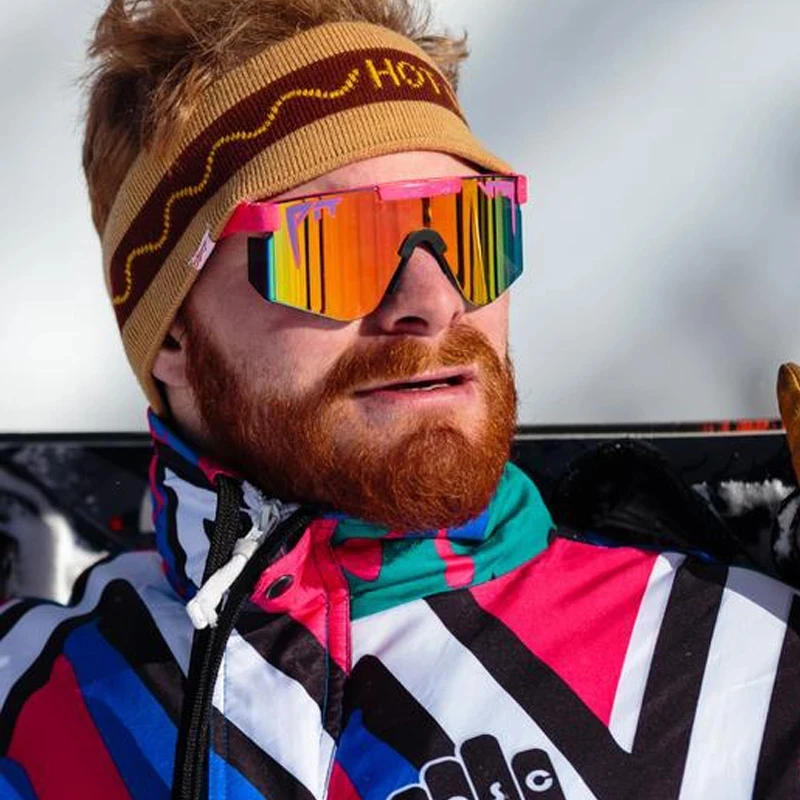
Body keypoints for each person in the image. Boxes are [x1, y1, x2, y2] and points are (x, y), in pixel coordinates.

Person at [1, 0, 799, 797]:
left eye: (473, 231)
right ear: (173, 333)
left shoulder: (745, 668)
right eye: (333, 247)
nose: (436, 299)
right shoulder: (30, 709)